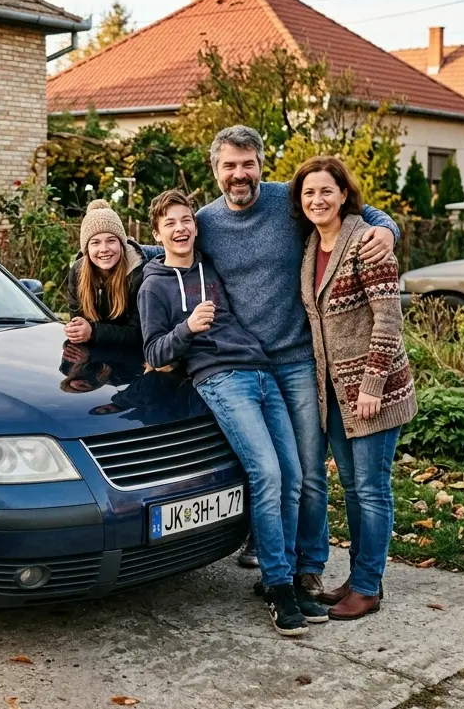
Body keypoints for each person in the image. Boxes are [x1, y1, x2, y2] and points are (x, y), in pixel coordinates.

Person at [140, 126, 401, 590]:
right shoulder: (203, 222)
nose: (239, 175)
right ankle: (268, 547)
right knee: (268, 468)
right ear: (215, 170)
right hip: (242, 365)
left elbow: (357, 209)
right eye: (229, 166)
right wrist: (98, 271)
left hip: (299, 359)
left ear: (261, 165)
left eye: (247, 164)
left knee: (308, 473)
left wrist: (387, 229)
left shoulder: (289, 201)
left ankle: (309, 569)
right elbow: (163, 258)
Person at [139, 189, 327, 637]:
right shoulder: (154, 285)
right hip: (220, 379)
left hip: (261, 370)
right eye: (171, 223)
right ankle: (279, 585)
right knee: (267, 473)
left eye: (187, 220)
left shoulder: (207, 265)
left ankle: (283, 575)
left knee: (295, 475)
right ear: (157, 232)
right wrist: (187, 328)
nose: (181, 228)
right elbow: (152, 349)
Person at [294, 155, 416, 620]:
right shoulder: (312, 246)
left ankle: (367, 586)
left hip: (373, 394)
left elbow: (389, 319)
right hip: (336, 397)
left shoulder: (367, 242)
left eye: (326, 191)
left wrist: (372, 384)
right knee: (352, 487)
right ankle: (363, 575)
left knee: (371, 489)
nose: (317, 199)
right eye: (308, 193)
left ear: (344, 194)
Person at [64, 199, 148, 349]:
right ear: (87, 250)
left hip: (131, 359)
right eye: (95, 243)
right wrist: (76, 331)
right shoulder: (77, 272)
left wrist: (93, 332)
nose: (104, 249)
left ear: (122, 244)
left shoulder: (138, 275)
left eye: (111, 241)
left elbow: (138, 334)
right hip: (92, 357)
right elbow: (78, 319)